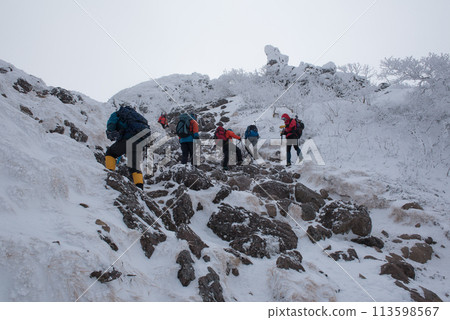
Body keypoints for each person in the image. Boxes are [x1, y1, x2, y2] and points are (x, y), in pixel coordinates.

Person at [105, 104, 150, 189]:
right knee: (134, 166)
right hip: (140, 142)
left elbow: (111, 126)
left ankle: (109, 173)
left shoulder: (118, 114)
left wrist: (112, 134)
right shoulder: (137, 117)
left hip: (128, 140)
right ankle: (140, 189)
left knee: (110, 153)